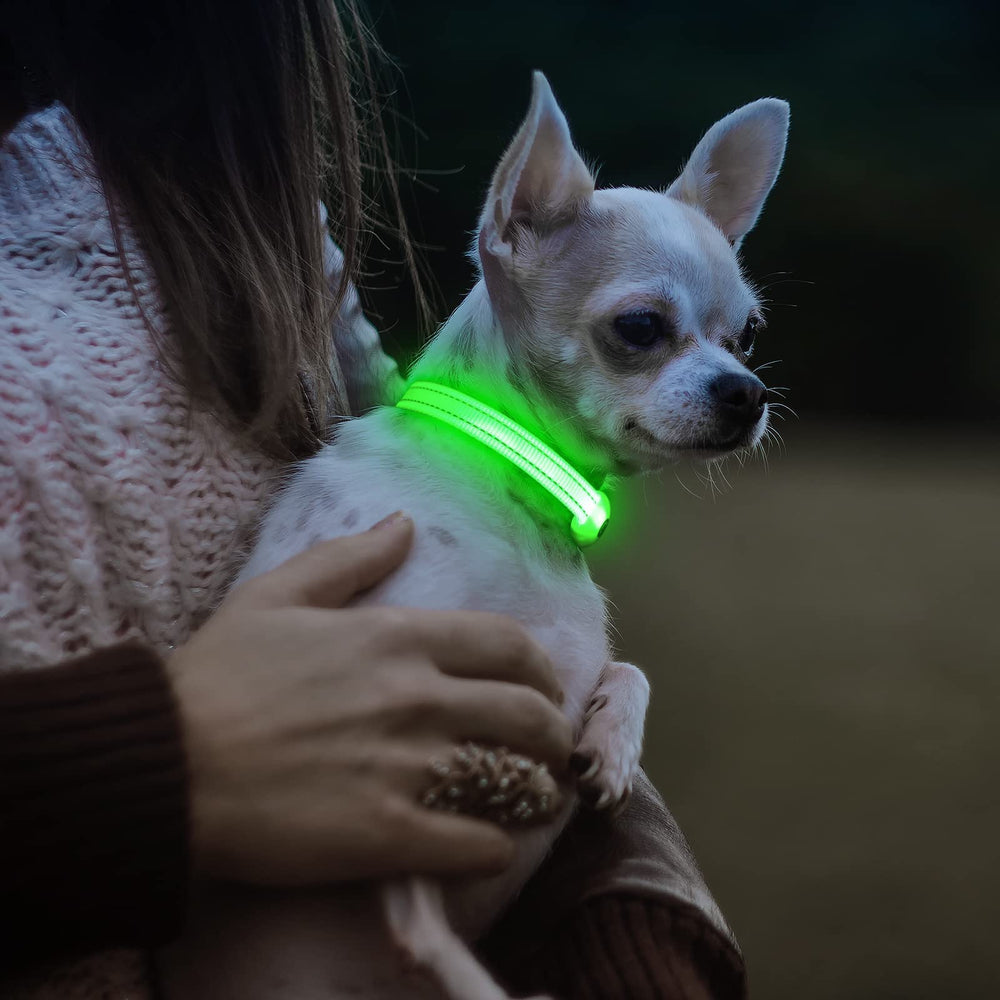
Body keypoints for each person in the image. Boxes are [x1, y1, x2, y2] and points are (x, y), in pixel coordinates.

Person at [0, 2, 746, 997]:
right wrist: (148, 763)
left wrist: (635, 902)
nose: (733, 378)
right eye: (643, 330)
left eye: (738, 339)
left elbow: (499, 725)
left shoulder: (287, 278)